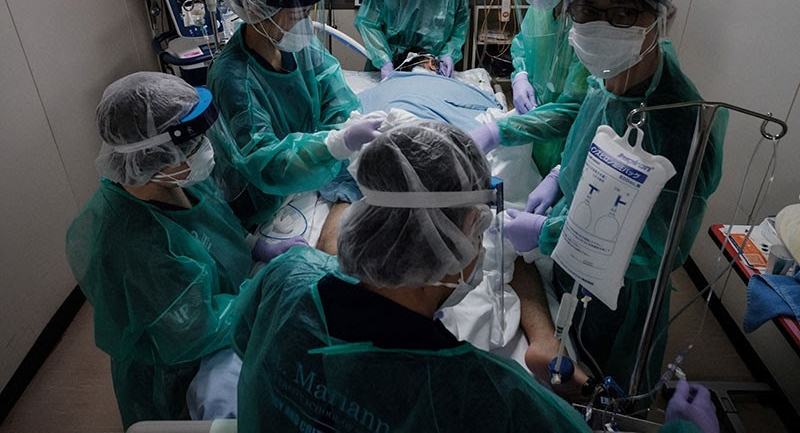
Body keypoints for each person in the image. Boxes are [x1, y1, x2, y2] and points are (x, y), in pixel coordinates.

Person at [231, 122, 716, 432]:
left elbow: (243, 338)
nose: (483, 241)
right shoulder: (484, 395)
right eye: (477, 228)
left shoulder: (285, 279)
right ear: (446, 249)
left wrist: (542, 339)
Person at [503, 0, 727, 395]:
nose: (601, 24)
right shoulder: (607, 82)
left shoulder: (679, 122)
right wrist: (556, 181)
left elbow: (652, 252)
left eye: (624, 13)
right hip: (568, 267)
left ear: (661, 18)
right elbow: (582, 155)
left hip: (621, 300)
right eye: (586, 8)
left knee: (607, 395)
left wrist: (546, 234)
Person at [65, 72, 303, 428]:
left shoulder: (176, 181)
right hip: (179, 366)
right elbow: (195, 329)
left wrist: (254, 245)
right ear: (153, 155)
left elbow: (215, 229)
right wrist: (261, 292)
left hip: (220, 317)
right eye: (190, 143)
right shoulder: (136, 244)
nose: (204, 147)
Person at [208, 0, 380, 230]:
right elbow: (266, 163)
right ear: (255, 10)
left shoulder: (298, 45)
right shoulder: (234, 79)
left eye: (306, 13)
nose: (303, 25)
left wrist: (338, 139)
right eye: (294, 15)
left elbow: (336, 99)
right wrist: (334, 145)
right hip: (265, 198)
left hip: (312, 172)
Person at [469, 0, 589, 179]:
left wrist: (500, 132)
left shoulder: (589, 24)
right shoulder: (543, 9)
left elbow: (576, 110)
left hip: (568, 151)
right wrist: (521, 75)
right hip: (533, 137)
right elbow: (523, 45)